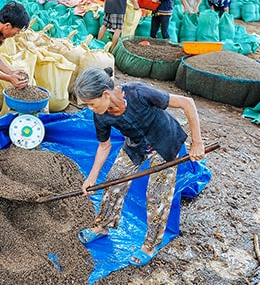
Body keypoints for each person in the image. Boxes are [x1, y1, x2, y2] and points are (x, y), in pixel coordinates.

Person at [73, 66, 205, 266]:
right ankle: (102, 226)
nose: (90, 108)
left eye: (91, 103)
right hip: (136, 145)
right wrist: (91, 178)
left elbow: (187, 103)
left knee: (157, 195)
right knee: (113, 181)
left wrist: (197, 142)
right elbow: (104, 146)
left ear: (106, 94)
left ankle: (150, 246)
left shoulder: (138, 92)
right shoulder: (100, 115)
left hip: (165, 142)